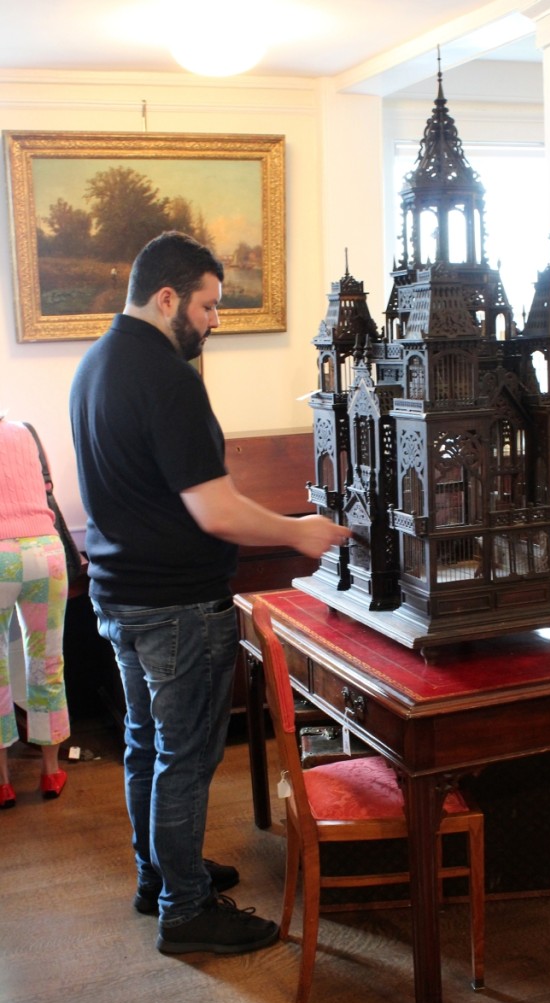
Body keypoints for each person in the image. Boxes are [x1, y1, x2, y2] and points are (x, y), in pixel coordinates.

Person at [69, 231, 350, 957]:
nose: (215, 321)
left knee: (144, 746)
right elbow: (215, 510)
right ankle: (188, 910)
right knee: (186, 758)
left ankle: (159, 874)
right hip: (175, 605)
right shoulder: (167, 378)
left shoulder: (95, 364)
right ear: (167, 299)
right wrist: (299, 534)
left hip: (118, 595)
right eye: (208, 306)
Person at [0, 414, 70, 809]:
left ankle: (3, 781)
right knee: (47, 662)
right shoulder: (23, 429)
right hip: (45, 552)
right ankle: (49, 771)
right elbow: (46, 488)